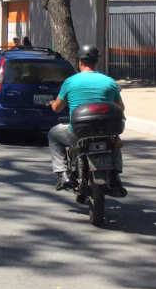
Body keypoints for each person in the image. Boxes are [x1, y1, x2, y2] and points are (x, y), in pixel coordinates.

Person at [47, 45, 125, 191]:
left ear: (80, 62)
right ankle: (115, 175)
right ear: (97, 62)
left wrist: (52, 103)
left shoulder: (70, 82)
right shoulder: (109, 82)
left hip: (78, 133)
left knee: (53, 134)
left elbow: (57, 108)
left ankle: (63, 174)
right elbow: (121, 108)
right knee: (115, 140)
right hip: (105, 132)